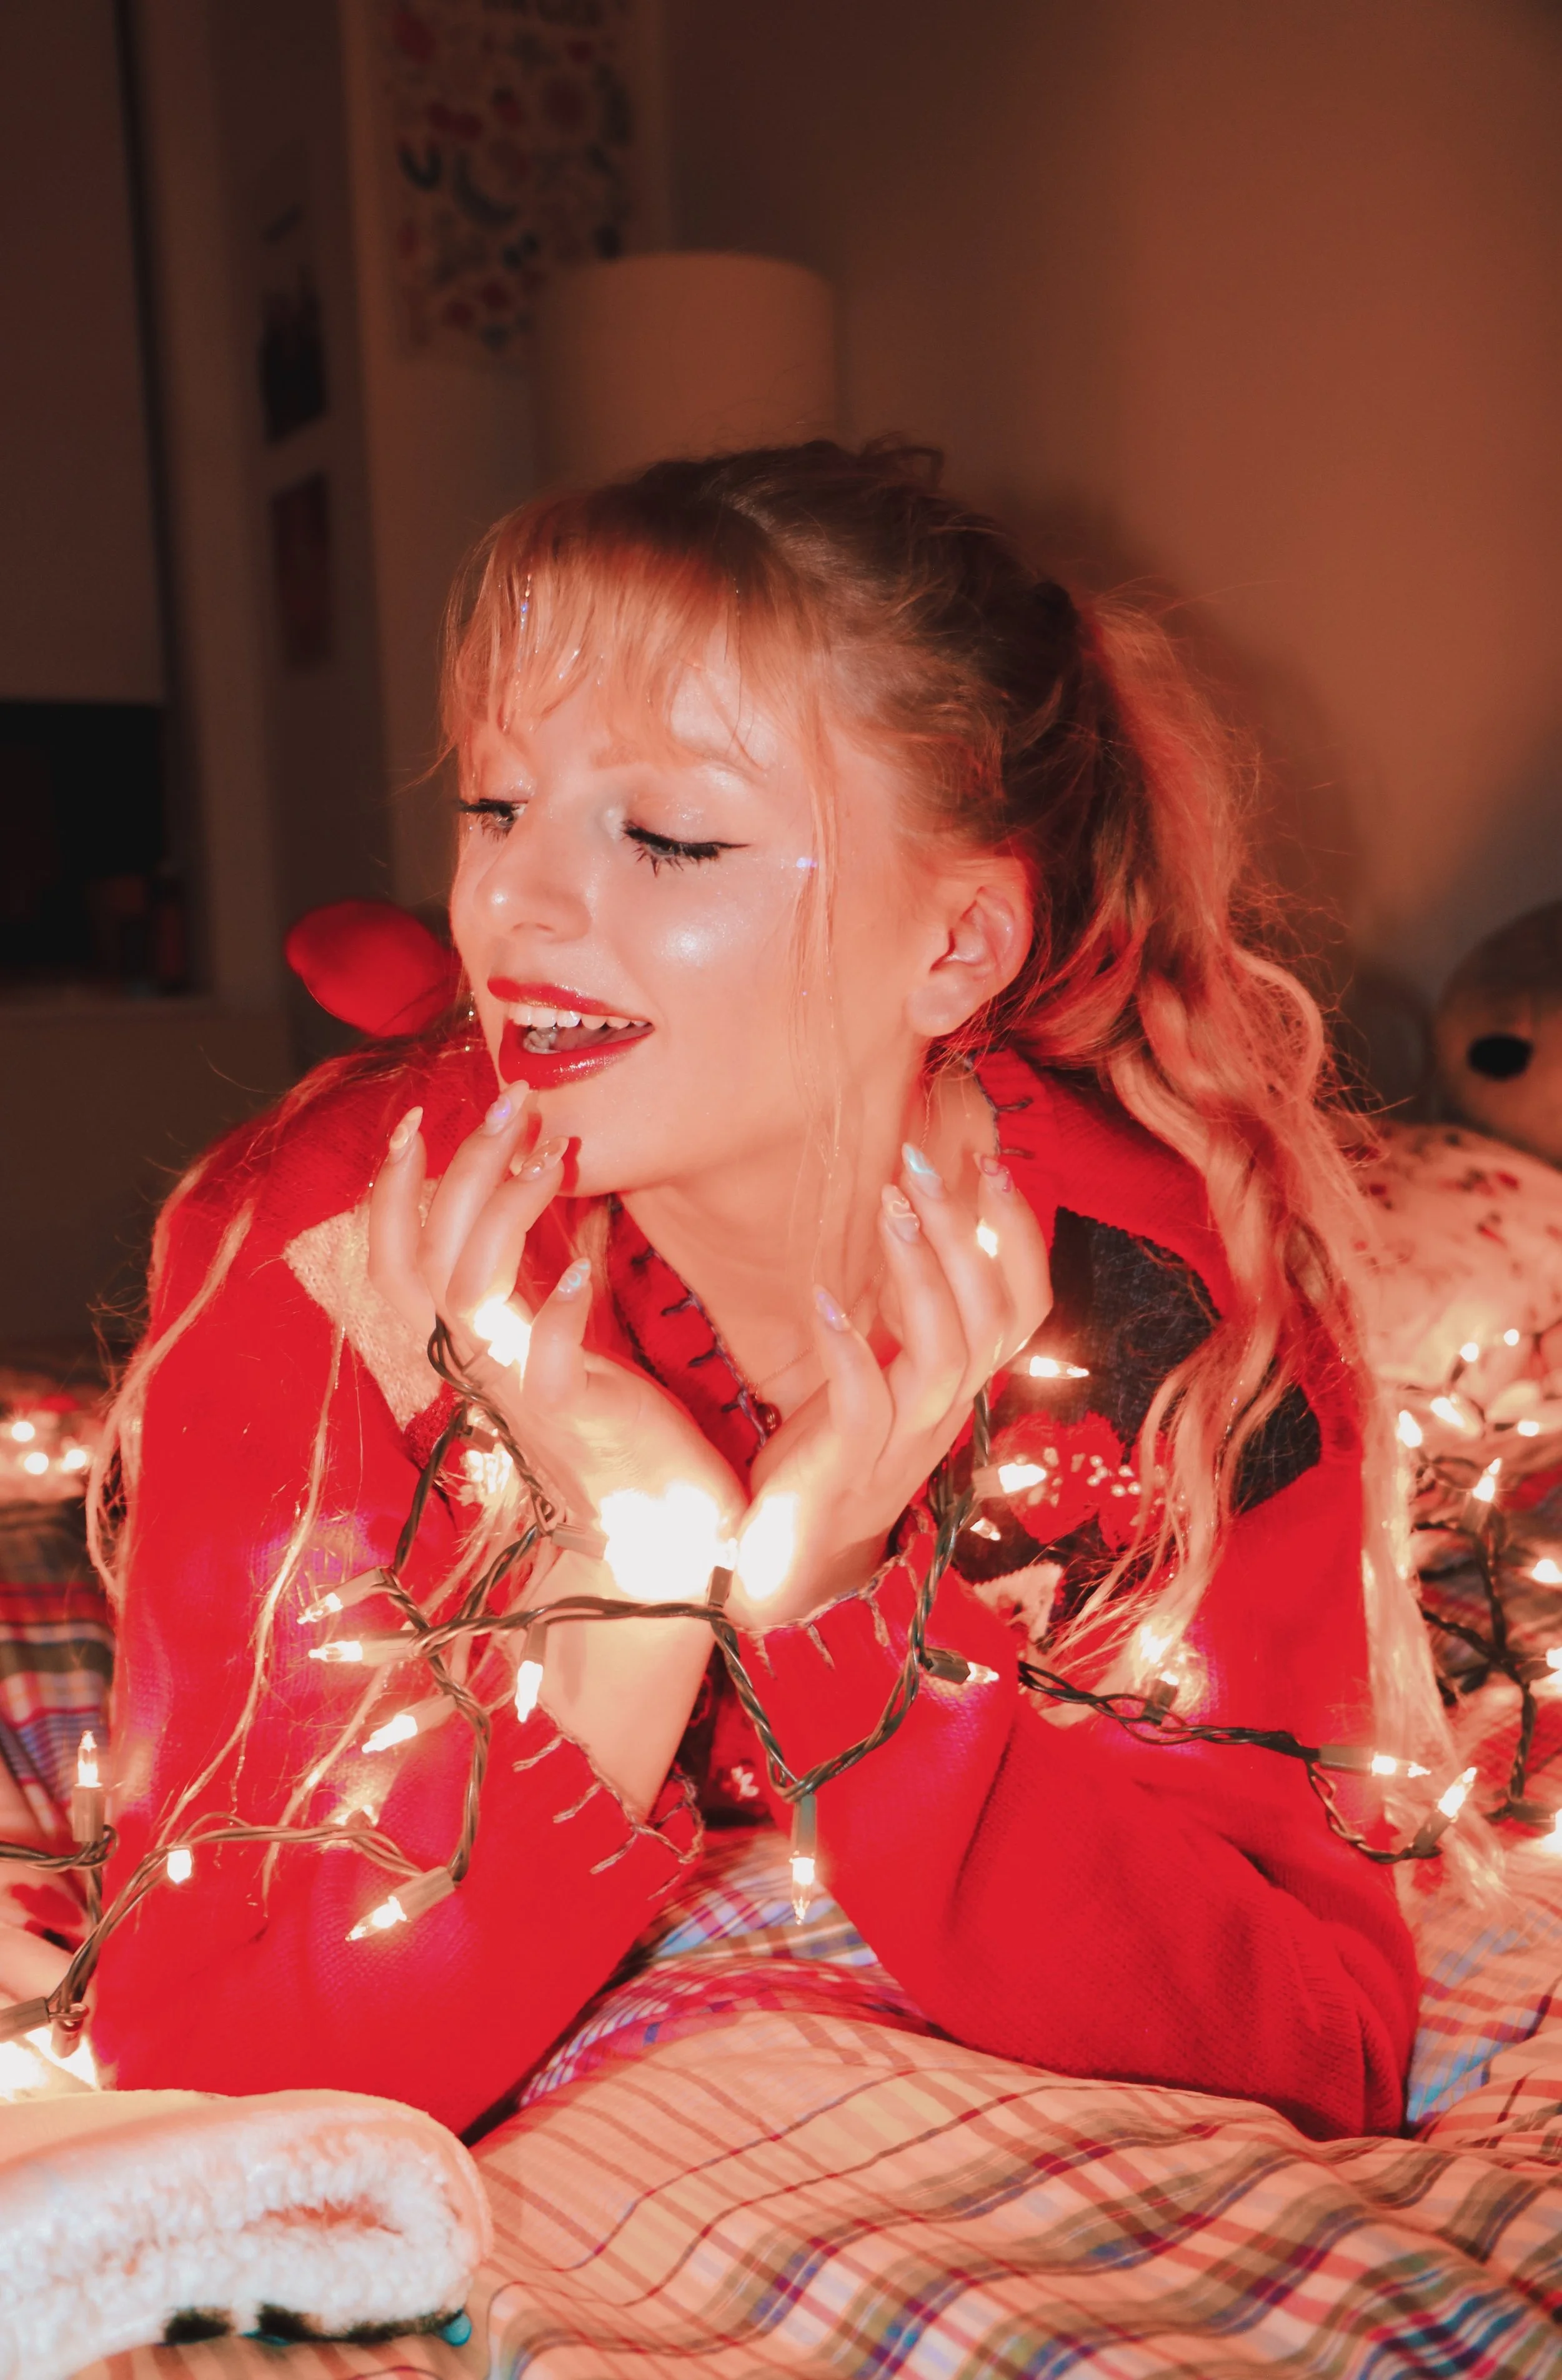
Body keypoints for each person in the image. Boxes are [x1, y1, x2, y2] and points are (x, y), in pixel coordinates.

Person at [89, 442, 1435, 2141]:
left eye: (665, 835)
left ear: (952, 946)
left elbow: (1316, 2046)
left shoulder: (1171, 1315)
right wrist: (629, 1574)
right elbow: (193, 2052)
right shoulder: (326, 1244)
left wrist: (833, 1607)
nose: (518, 897)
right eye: (495, 806)